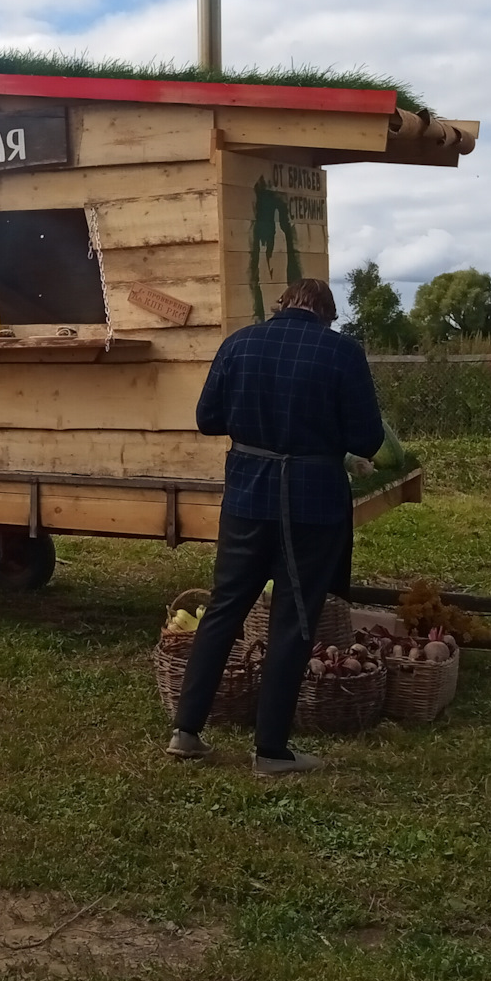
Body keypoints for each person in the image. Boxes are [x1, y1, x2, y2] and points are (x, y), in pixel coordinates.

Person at [169, 278, 384, 777]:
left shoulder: (238, 343)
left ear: (282, 306)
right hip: (313, 505)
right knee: (293, 621)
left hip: (247, 496)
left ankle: (186, 731)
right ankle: (270, 751)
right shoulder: (342, 351)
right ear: (326, 314)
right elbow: (368, 438)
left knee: (224, 610)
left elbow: (207, 419)